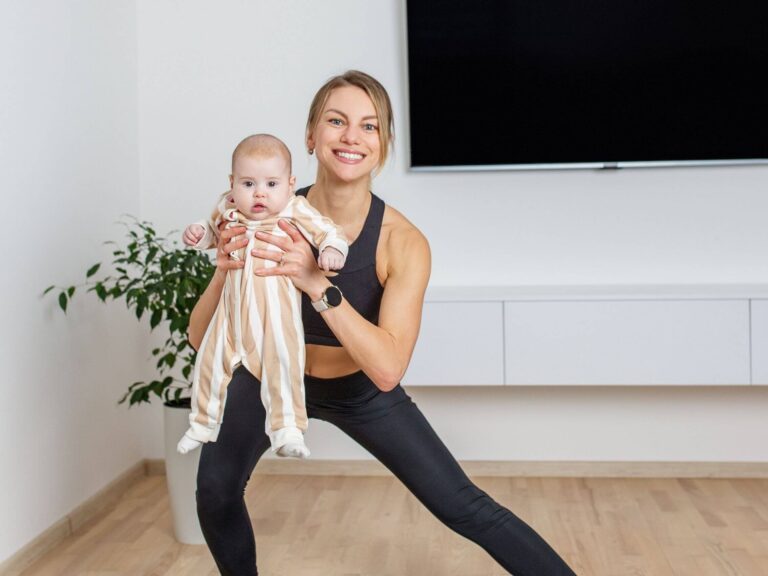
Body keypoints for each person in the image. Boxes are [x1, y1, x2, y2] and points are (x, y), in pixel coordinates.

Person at [188, 71, 577, 575]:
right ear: (310, 135)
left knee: (463, 506)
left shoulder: (401, 242)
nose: (351, 137)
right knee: (214, 491)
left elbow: (388, 369)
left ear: (384, 144)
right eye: (336, 121)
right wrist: (222, 273)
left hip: (359, 388)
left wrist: (316, 284)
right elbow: (202, 338)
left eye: (369, 127)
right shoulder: (264, 212)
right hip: (272, 376)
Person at [178, 133, 348, 459]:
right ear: (232, 184)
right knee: (209, 365)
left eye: (271, 184)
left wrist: (331, 249)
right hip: (230, 316)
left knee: (283, 366)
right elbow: (211, 232)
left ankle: (288, 431)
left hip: (275, 316)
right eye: (248, 184)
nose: (259, 193)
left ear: (289, 183)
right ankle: (201, 423)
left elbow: (329, 231)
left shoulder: (294, 209)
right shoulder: (228, 207)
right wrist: (199, 234)